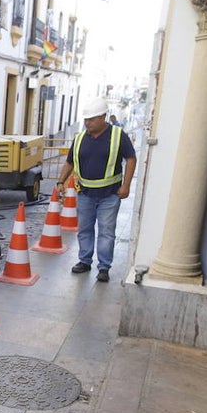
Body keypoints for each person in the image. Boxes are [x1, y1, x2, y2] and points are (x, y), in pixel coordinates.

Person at [55, 98, 137, 283]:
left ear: (102, 117)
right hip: (85, 194)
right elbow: (70, 162)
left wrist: (126, 185)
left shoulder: (118, 135)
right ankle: (84, 261)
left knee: (106, 232)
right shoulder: (80, 138)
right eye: (86, 119)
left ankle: (104, 267)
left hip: (110, 195)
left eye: (91, 119)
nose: (87, 123)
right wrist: (61, 181)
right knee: (84, 229)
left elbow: (131, 158)